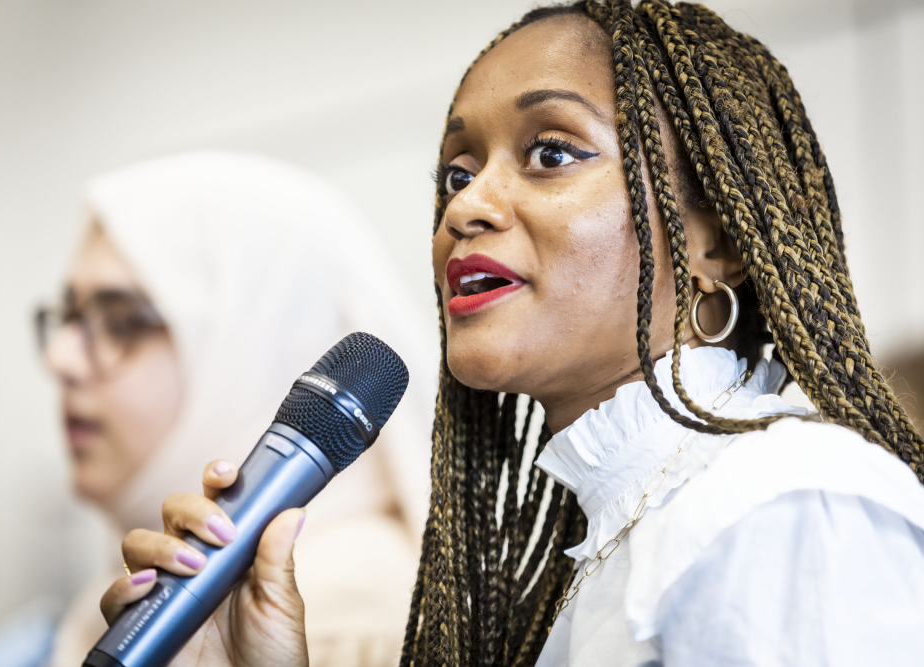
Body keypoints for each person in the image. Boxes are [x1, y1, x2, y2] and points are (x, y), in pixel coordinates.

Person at [107, 2, 924, 666]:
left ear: (717, 241)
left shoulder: (783, 503)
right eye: (458, 173)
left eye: (553, 152)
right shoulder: (602, 541)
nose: (465, 206)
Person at [38, 152, 436, 667]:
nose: (60, 358)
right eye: (69, 316)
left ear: (264, 344)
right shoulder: (146, 587)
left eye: (122, 321)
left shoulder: (348, 616)